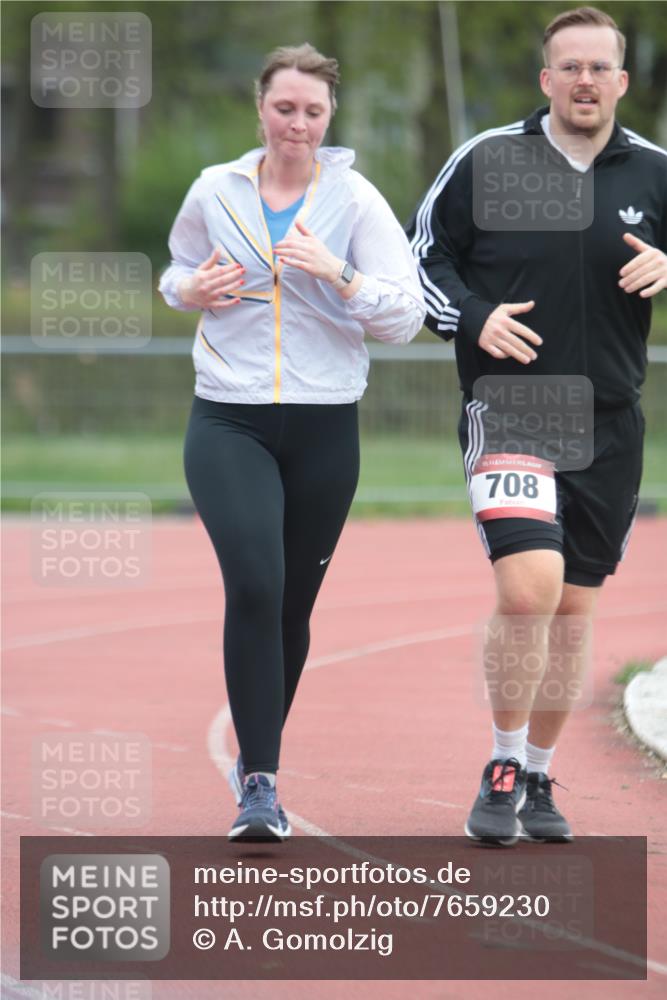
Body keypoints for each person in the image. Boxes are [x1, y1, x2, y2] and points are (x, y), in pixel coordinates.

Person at [408, 6, 666, 845]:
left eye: (600, 67)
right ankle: (503, 761)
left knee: (573, 613)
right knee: (528, 592)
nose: (584, 81)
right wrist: (471, 317)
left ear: (621, 82)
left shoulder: (654, 174)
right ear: (545, 79)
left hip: (611, 419)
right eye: (569, 67)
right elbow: (419, 259)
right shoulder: (488, 159)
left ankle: (543, 776)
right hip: (513, 406)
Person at [159, 44, 425, 841]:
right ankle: (261, 789)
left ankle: (257, 761)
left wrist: (336, 274)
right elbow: (175, 273)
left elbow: (405, 316)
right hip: (228, 414)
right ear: (260, 108)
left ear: (328, 117)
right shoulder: (215, 189)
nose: (296, 125)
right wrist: (189, 291)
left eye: (311, 112)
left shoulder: (355, 201)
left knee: (292, 606)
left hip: (322, 422)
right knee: (255, 580)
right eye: (284, 108)